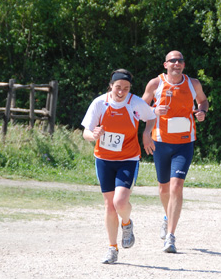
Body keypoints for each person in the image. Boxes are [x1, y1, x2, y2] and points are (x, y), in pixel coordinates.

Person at [81, 69, 156, 264]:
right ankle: (112, 248)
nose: (121, 91)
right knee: (109, 205)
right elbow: (86, 133)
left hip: (128, 159)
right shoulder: (99, 103)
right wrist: (94, 135)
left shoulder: (135, 103)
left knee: (120, 202)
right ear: (110, 86)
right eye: (118, 87)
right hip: (104, 159)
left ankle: (127, 223)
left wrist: (146, 133)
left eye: (126, 88)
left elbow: (151, 117)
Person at [142, 50, 209, 253]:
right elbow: (139, 108)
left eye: (180, 60)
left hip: (184, 142)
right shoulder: (155, 84)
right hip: (161, 142)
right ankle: (167, 216)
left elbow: (203, 101)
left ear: (184, 64)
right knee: (163, 189)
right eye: (173, 60)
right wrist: (151, 117)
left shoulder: (193, 83)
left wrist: (202, 111)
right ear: (165, 64)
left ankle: (170, 237)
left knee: (176, 186)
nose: (177, 63)